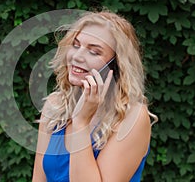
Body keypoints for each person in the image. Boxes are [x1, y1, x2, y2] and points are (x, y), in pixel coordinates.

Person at [32, 10, 158, 182]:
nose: (77, 56)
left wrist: (81, 123)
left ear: (116, 65)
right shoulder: (55, 105)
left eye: (94, 51)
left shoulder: (132, 118)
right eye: (76, 45)